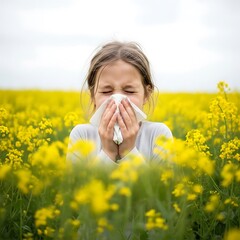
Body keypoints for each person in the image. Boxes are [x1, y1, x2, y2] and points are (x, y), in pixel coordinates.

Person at [67, 41, 172, 165]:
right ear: (93, 96)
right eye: (106, 91)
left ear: (146, 95)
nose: (117, 100)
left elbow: (160, 184)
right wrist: (108, 152)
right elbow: (77, 184)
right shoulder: (82, 136)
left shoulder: (158, 135)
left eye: (129, 91)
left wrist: (129, 151)